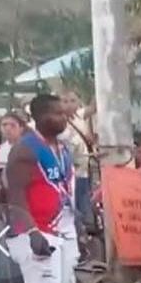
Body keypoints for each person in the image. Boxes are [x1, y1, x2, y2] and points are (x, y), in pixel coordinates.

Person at [6, 94, 79, 283]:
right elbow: (15, 196)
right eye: (57, 114)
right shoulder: (25, 149)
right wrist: (32, 231)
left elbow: (63, 188)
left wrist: (78, 226)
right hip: (36, 232)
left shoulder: (61, 148)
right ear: (39, 116)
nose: (64, 118)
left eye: (65, 113)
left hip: (61, 228)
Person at [58, 90, 95, 234]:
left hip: (83, 170)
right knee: (72, 210)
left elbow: (93, 108)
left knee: (84, 206)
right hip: (67, 174)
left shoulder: (79, 117)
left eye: (72, 101)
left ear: (78, 103)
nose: (68, 105)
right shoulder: (57, 122)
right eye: (65, 101)